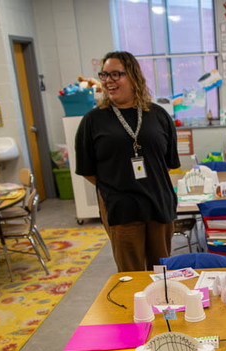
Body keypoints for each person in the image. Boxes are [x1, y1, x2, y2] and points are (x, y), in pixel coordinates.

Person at [75, 51, 180, 272]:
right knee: (131, 275)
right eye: (104, 75)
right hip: (121, 208)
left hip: (158, 204)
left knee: (162, 273)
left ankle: (162, 308)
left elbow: (168, 163)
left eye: (116, 74)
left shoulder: (159, 116)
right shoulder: (93, 121)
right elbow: (87, 169)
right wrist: (117, 184)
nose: (108, 81)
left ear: (133, 76)